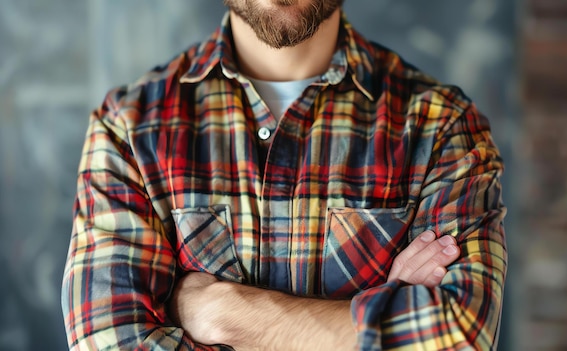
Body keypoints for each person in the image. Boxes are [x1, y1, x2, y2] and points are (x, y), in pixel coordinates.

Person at [61, 0, 507, 350]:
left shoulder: (442, 125)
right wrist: (373, 321)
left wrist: (224, 313)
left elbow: (457, 338)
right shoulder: (129, 127)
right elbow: (108, 337)